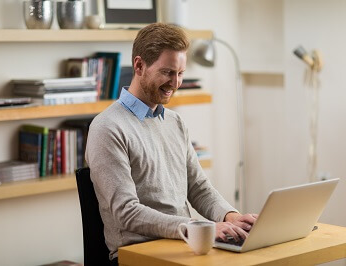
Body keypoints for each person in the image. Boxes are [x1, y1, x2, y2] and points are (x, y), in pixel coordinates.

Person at [85, 23, 257, 265]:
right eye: (167, 72)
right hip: (138, 255)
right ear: (139, 65)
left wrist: (230, 216)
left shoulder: (175, 122)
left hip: (183, 246)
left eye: (180, 73)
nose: (175, 83)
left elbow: (198, 187)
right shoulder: (108, 127)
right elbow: (127, 214)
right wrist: (201, 228)